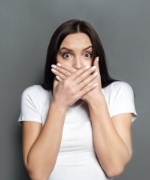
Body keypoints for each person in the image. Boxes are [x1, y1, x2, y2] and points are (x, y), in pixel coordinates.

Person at [18, 19, 137, 180]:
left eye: (87, 54)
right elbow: (38, 174)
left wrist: (96, 100)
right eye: (67, 55)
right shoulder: (34, 96)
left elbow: (114, 167)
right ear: (55, 60)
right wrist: (59, 104)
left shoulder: (118, 92)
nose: (78, 65)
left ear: (96, 58)